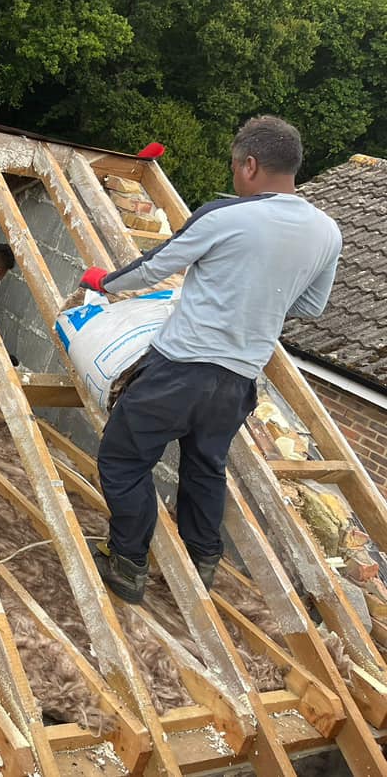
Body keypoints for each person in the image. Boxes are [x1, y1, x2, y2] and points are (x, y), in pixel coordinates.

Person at [79, 115, 342, 604]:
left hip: (179, 369)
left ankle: (129, 563)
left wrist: (103, 282)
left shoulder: (225, 216)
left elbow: (156, 266)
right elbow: (310, 306)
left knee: (123, 459)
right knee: (205, 466)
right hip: (239, 382)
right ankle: (201, 565)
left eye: (234, 167)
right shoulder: (327, 232)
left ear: (249, 164)